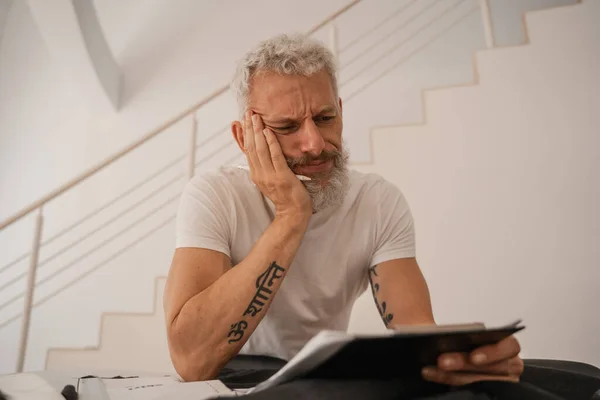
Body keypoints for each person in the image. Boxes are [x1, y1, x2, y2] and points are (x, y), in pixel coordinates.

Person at [162, 33, 524, 387]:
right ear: (245, 138)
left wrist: (461, 360)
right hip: (233, 376)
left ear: (340, 111)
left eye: (324, 118)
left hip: (322, 381)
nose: (315, 144)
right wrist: (291, 215)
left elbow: (416, 331)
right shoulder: (213, 195)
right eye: (287, 126)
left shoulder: (379, 202)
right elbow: (192, 361)